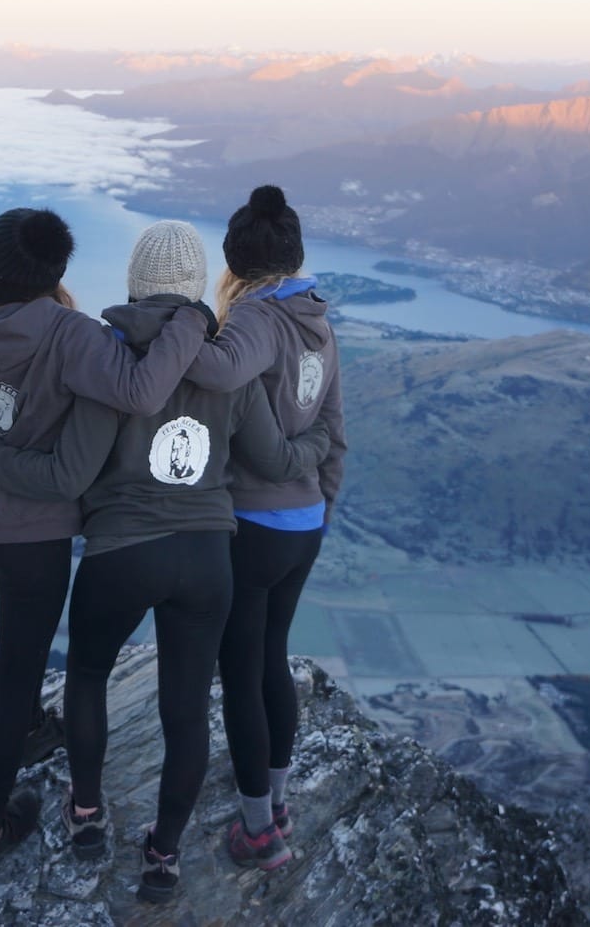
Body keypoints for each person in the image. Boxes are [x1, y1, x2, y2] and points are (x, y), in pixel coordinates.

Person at [0, 219, 331, 903]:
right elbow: (269, 457)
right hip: (208, 559)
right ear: (195, 286)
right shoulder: (228, 365)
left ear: (134, 283)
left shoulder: (112, 359)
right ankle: (163, 856)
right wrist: (317, 447)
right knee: (185, 710)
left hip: (122, 554)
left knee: (88, 676)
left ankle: (85, 815)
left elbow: (74, 469)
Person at [0, 207, 213, 874]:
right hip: (31, 543)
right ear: (56, 270)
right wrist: (192, 320)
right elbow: (142, 390)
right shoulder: (70, 333)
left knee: (18, 660)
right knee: (13, 680)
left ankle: (31, 726)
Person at [183, 185, 347, 872]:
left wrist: (172, 324)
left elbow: (218, 370)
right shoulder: (316, 319)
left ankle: (257, 831)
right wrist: (319, 505)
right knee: (271, 658)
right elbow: (334, 427)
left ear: (236, 261)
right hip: (302, 523)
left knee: (241, 672)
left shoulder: (256, 315)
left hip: (254, 524)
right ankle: (276, 802)